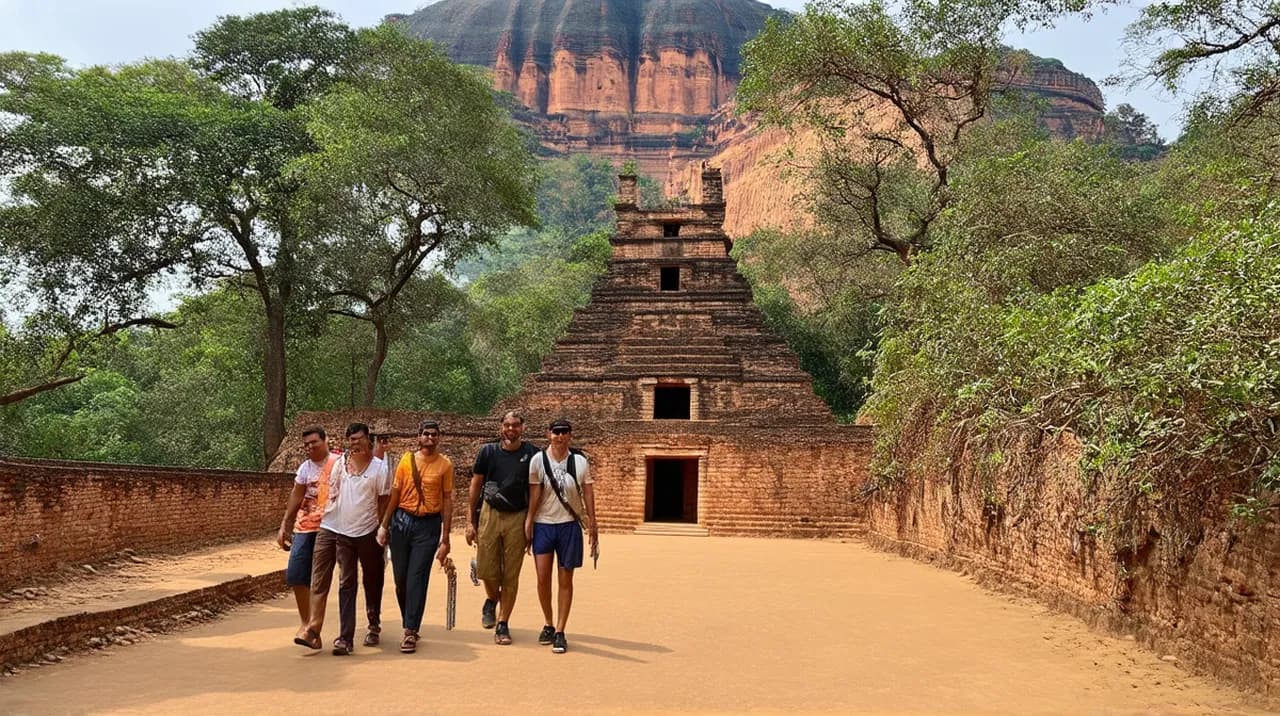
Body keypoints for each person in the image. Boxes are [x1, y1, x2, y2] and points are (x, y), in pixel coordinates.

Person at [295, 422, 391, 655]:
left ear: (369, 440)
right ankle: (342, 638)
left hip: (367, 530)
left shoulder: (379, 469)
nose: (355, 443)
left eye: (359, 439)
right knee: (346, 582)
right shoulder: (340, 464)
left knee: (372, 578)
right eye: (351, 439)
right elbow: (329, 494)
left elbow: (383, 502)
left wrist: (382, 528)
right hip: (339, 529)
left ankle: (373, 623)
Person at [377, 419, 453, 654]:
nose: (430, 438)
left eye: (434, 435)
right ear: (418, 436)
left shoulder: (444, 465)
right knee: (401, 580)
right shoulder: (406, 461)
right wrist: (384, 525)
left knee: (417, 576)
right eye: (426, 434)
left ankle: (410, 630)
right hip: (402, 521)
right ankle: (409, 620)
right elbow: (396, 494)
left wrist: (446, 536)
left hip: (428, 524)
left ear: (439, 438)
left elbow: (447, 499)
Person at [465, 410, 538, 645]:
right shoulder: (488, 452)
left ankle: (503, 623)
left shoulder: (532, 453)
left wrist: (531, 520)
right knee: (487, 569)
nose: (511, 429)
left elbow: (537, 489)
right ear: (501, 427)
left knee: (511, 574)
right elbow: (476, 485)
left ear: (522, 428)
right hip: (490, 512)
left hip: (518, 515)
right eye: (507, 425)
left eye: (515, 425)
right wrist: (469, 520)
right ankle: (491, 598)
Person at [526, 417, 598, 654]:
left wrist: (593, 524)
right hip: (544, 524)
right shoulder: (538, 460)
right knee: (542, 578)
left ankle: (560, 630)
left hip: (569, 525)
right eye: (555, 432)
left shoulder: (579, 462)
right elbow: (534, 494)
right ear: (548, 434)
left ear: (570, 434)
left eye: (564, 432)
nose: (559, 436)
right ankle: (548, 621)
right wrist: (529, 521)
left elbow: (588, 493)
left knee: (565, 580)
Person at [276, 426, 338, 645]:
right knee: (295, 575)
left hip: (333, 526)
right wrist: (285, 523)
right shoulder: (305, 468)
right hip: (306, 526)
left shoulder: (339, 464)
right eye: (306, 444)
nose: (310, 447)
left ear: (326, 440)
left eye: (314, 442)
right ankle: (307, 624)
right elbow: (297, 494)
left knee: (328, 578)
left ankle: (317, 629)